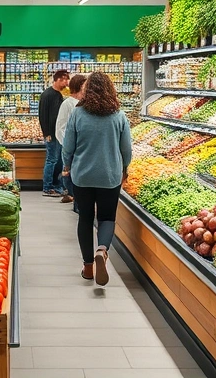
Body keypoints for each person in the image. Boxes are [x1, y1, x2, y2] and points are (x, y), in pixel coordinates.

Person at [62, 72, 132, 286]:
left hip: (82, 175)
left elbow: (68, 146)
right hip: (110, 175)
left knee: (85, 218)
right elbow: (126, 149)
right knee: (107, 218)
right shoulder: (119, 115)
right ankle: (102, 250)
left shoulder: (78, 113)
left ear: (87, 89)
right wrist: (125, 168)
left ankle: (88, 267)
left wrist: (67, 165)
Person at [55, 74, 87, 210]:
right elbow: (60, 128)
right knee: (70, 176)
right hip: (72, 149)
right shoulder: (67, 104)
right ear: (80, 86)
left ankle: (77, 203)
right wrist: (68, 145)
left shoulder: (85, 104)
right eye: (85, 85)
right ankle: (76, 202)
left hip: (82, 149)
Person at [38, 69, 70, 198]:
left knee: (58, 160)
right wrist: (46, 133)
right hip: (51, 134)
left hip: (58, 133)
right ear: (57, 80)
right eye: (64, 80)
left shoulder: (59, 95)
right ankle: (47, 187)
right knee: (51, 160)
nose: (66, 83)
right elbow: (42, 115)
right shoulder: (47, 95)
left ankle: (57, 185)